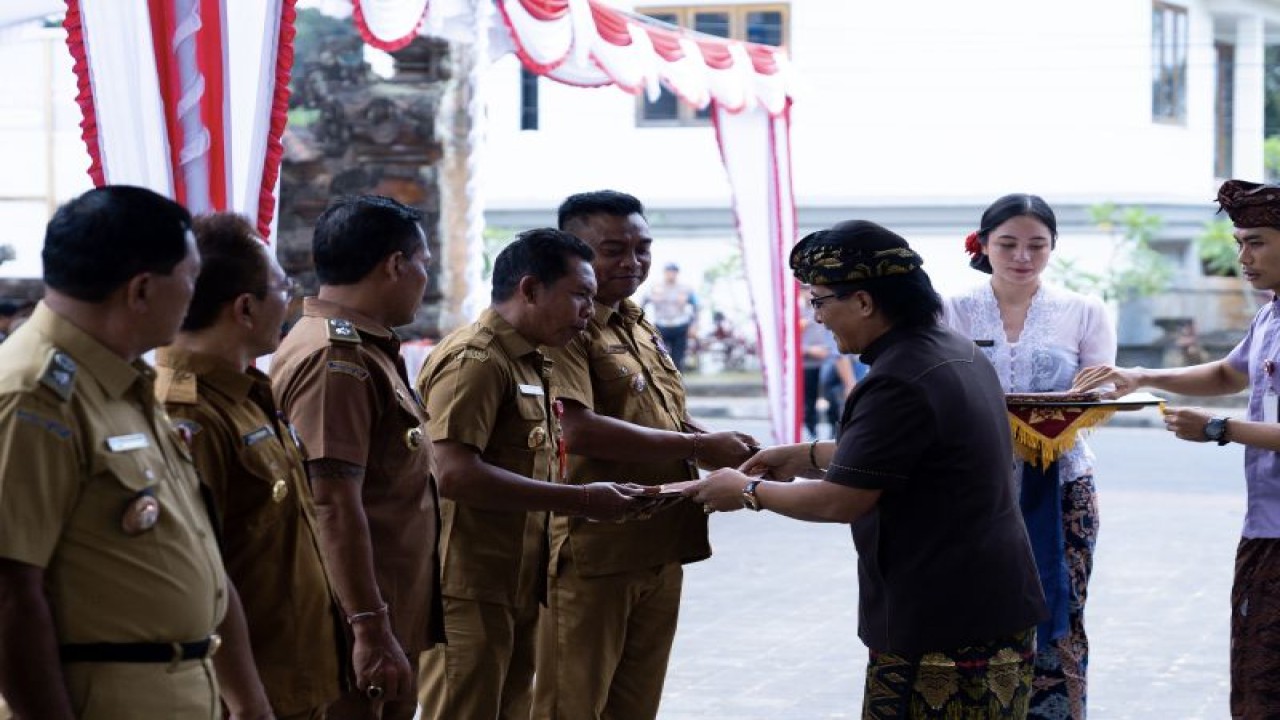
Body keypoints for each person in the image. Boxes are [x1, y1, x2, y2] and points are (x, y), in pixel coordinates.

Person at [686, 220, 1047, 719]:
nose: (816, 318)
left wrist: (745, 490)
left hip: (943, 615)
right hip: (991, 600)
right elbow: (915, 454)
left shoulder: (896, 378)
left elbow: (841, 501)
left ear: (862, 301)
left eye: (818, 301)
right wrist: (805, 455)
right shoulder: (951, 350)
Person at [0, 186, 272, 719]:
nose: (195, 297)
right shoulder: (32, 396)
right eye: (190, 279)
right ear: (142, 290)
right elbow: (9, 595)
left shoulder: (121, 380)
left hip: (182, 690)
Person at [533, 190, 759, 720]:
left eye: (642, 247)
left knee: (635, 705)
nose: (632, 262)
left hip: (659, 540)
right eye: (613, 249)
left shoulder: (633, 318)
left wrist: (717, 444)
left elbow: (656, 413)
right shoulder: (566, 324)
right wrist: (699, 445)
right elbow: (575, 427)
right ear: (572, 250)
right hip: (596, 549)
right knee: (571, 705)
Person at [1073, 178, 1280, 719]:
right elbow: (1225, 372)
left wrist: (1220, 430)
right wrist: (1140, 375)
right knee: (1257, 675)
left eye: (1255, 241)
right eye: (1239, 242)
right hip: (1266, 527)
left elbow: (1226, 405)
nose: (1243, 257)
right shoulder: (1270, 314)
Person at [415, 228, 641, 720]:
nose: (589, 309)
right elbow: (453, 474)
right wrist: (580, 500)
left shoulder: (530, 359)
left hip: (516, 578)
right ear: (531, 289)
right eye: (579, 294)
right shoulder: (475, 361)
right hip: (468, 584)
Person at [156, 212, 342, 719]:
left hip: (293, 674)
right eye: (284, 287)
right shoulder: (188, 413)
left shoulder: (250, 394)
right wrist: (247, 701)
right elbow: (199, 575)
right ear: (244, 308)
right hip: (245, 693)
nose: (290, 301)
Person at [270, 195, 444, 720]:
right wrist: (368, 626)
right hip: (354, 629)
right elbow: (332, 503)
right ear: (395, 264)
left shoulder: (366, 350)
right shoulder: (335, 359)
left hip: (385, 617)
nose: (424, 279)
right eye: (423, 265)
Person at [943, 193, 1116, 719]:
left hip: (1062, 483)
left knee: (1062, 603)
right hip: (971, 487)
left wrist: (1082, 400)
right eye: (1009, 244)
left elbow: (1104, 388)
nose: (1023, 256)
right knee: (971, 602)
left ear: (1053, 247)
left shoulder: (1083, 309)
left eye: (1037, 245)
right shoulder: (949, 308)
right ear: (984, 244)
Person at [642, 262, 698, 370]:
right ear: (665, 273)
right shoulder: (656, 287)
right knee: (660, 356)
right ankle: (663, 383)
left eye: (673, 272)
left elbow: (696, 306)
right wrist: (643, 322)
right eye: (668, 272)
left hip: (680, 325)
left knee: (678, 358)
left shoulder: (685, 288)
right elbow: (643, 303)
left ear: (677, 273)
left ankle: (678, 384)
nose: (671, 274)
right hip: (661, 326)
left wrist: (694, 325)